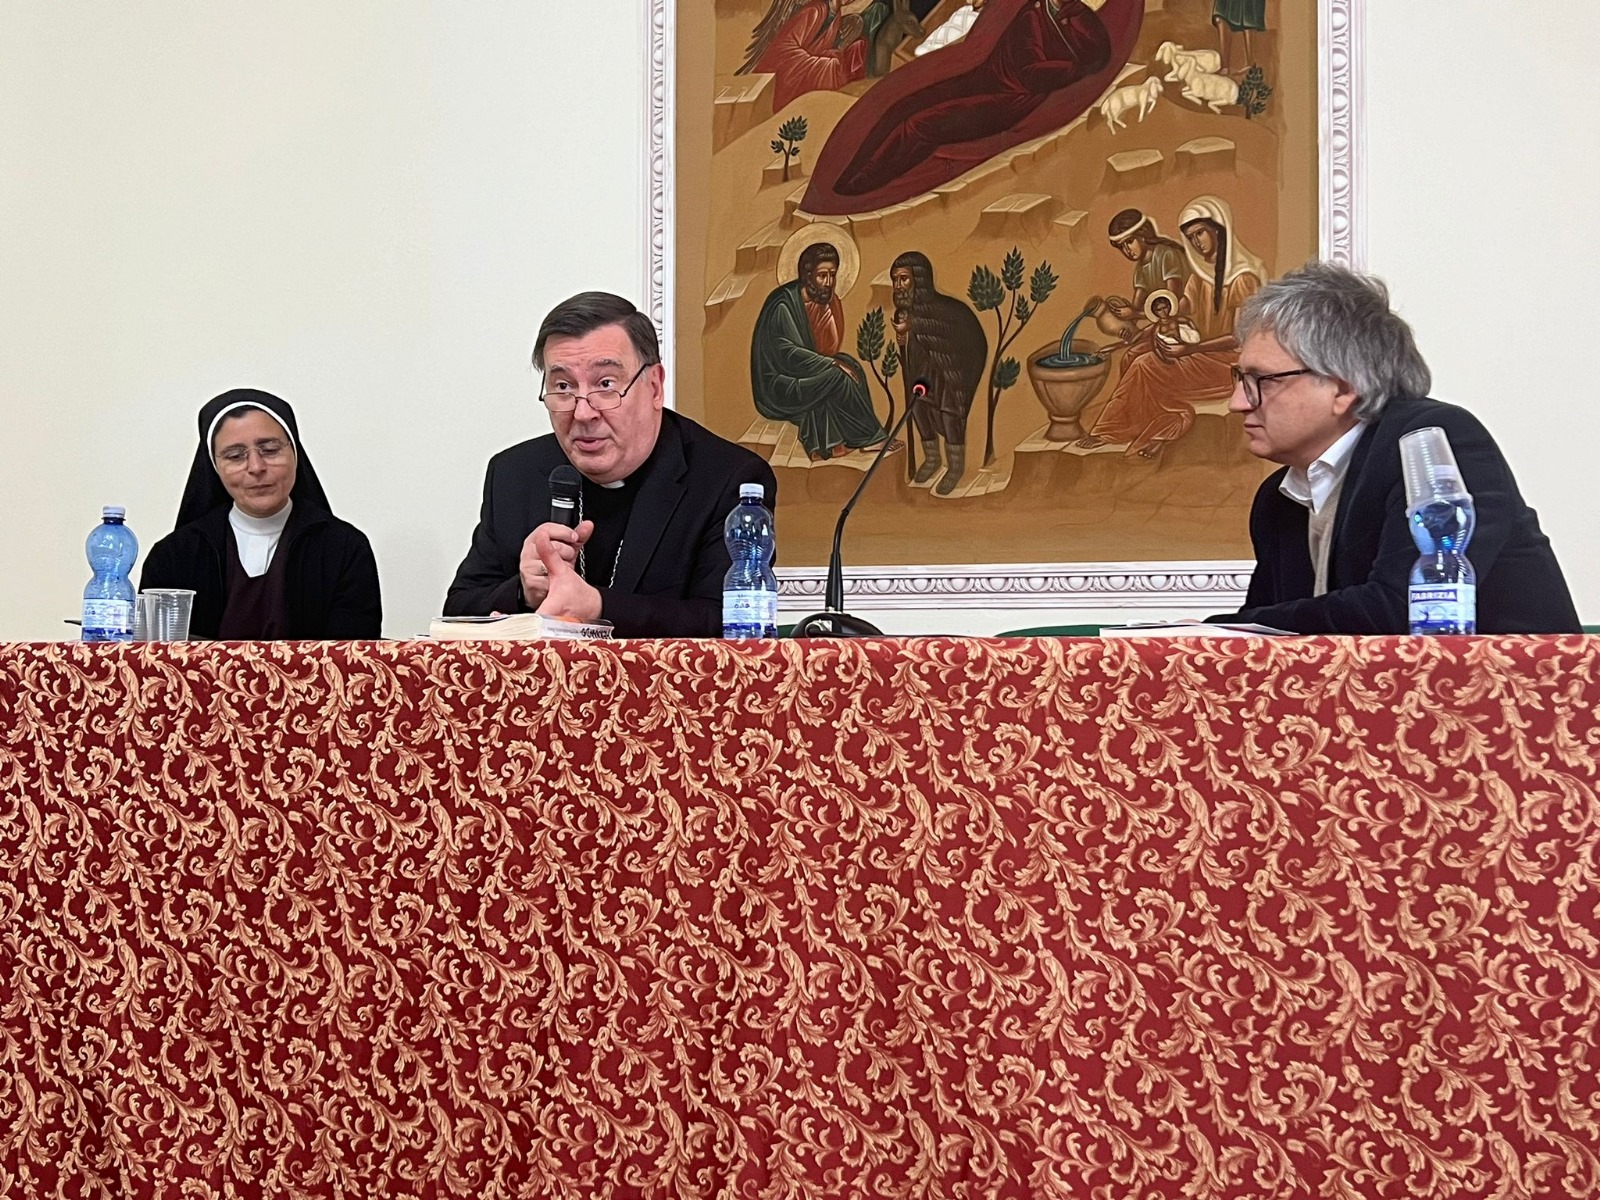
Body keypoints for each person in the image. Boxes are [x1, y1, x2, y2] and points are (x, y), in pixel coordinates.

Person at [1209, 261, 1580, 635]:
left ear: (1343, 387)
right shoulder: (1277, 500)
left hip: (1512, 674)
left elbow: (1402, 610)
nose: (1237, 402)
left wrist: (1210, 630)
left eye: (1262, 380)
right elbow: (1262, 633)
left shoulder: (1432, 443)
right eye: (1240, 379)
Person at [446, 291, 777, 638]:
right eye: (563, 386)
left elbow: (728, 624)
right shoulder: (515, 475)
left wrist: (597, 606)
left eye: (605, 384)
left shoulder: (728, 479)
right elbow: (457, 612)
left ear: (654, 387)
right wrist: (524, 591)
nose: (582, 412)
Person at [140, 389, 382, 639]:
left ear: (295, 453)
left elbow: (353, 656)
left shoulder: (344, 549)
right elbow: (151, 657)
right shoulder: (173, 556)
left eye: (270, 449)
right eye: (235, 456)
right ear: (215, 466)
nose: (256, 467)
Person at [1078, 195, 1264, 458]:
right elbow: (1179, 307)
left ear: (1219, 230)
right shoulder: (1200, 277)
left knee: (1144, 365)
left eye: (1200, 233)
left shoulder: (1243, 279)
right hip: (1198, 352)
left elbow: (1237, 339)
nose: (1196, 242)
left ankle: (1109, 430)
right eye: (1191, 237)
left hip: (1226, 365)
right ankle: (1134, 425)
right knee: (1133, 355)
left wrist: (1189, 349)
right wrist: (1158, 324)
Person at [750, 239, 894, 461]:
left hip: (803, 373)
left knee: (852, 365)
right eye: (822, 276)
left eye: (832, 275)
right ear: (807, 276)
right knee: (838, 375)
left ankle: (854, 437)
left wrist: (826, 314)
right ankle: (870, 439)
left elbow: (828, 348)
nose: (829, 282)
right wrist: (831, 363)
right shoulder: (782, 305)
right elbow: (788, 354)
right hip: (780, 384)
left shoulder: (826, 301)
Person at [889, 250, 988, 494]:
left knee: (950, 416)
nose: (898, 286)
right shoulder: (907, 311)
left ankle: (955, 467)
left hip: (948, 373)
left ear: (919, 279)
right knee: (918, 410)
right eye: (895, 280)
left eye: (904, 279)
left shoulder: (947, 309)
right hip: (922, 374)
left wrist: (913, 325)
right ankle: (932, 459)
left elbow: (944, 329)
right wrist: (905, 337)